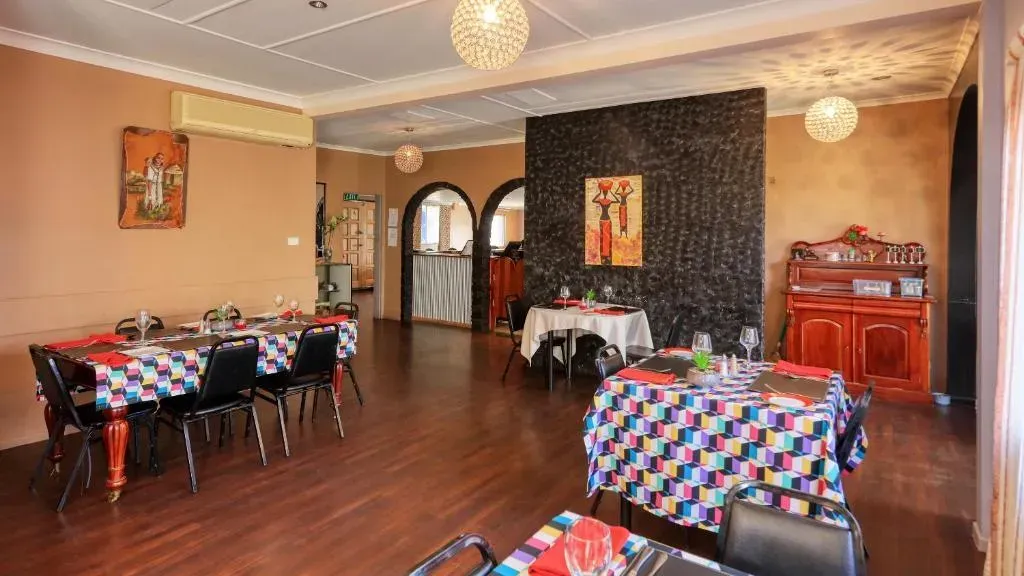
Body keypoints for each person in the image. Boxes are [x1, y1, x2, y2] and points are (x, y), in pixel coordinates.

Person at [591, 179, 615, 265]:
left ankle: (604, 257)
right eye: (606, 192)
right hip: (607, 219)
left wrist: (599, 193)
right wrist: (611, 192)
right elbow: (617, 200)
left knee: (603, 238)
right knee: (607, 238)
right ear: (607, 192)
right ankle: (607, 256)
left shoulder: (601, 200)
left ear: (603, 192)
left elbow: (593, 200)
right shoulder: (609, 201)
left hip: (602, 219)